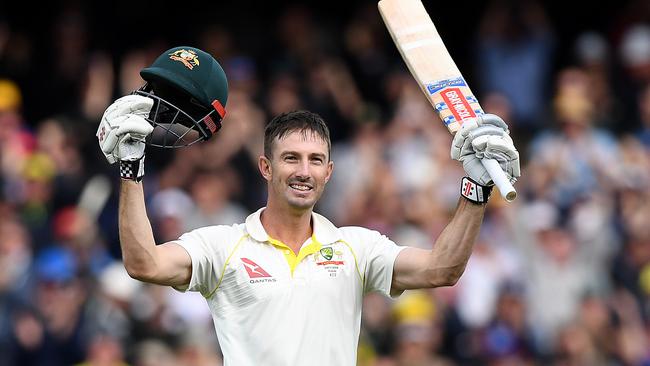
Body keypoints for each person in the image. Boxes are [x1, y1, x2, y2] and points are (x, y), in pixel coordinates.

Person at [96, 46, 520, 365]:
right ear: (265, 167)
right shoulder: (223, 246)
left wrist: (476, 189)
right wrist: (131, 169)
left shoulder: (356, 248)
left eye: (315, 160)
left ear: (329, 172)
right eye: (291, 159)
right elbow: (145, 264)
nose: (304, 171)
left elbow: (441, 268)